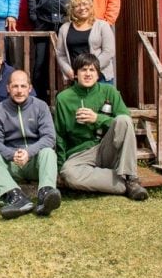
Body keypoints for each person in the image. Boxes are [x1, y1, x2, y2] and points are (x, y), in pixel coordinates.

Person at [54, 53, 148, 201]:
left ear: (98, 75)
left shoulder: (109, 91)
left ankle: (132, 178)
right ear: (76, 74)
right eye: (83, 70)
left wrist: (98, 118)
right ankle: (123, 183)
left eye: (92, 70)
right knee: (69, 173)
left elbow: (127, 123)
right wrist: (59, 168)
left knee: (123, 119)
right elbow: (59, 136)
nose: (88, 74)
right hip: (80, 153)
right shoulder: (63, 98)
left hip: (107, 148)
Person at [0, 69, 61, 219]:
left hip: (35, 162)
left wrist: (29, 152)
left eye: (23, 86)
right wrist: (12, 154)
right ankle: (15, 197)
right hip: (11, 164)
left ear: (30, 88)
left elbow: (49, 137)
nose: (19, 91)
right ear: (8, 88)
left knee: (48, 152)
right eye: (15, 86)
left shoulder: (41, 107)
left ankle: (45, 194)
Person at [56, 0, 116, 84]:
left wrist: (91, 70)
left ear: (90, 5)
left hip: (100, 78)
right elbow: (60, 54)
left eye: (85, 4)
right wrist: (68, 71)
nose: (82, 8)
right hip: (76, 79)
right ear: (72, 9)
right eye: (77, 5)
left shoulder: (102, 25)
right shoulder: (64, 28)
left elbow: (108, 52)